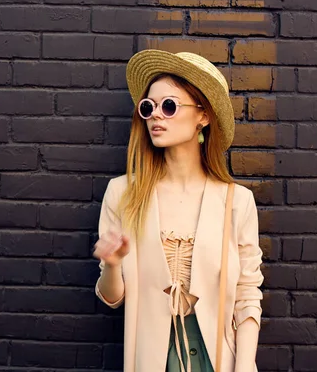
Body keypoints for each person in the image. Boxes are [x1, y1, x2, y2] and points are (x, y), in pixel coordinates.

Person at [93, 50, 264, 372]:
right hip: (151, 360)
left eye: (169, 106)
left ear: (203, 116)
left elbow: (247, 295)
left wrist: (244, 366)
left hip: (218, 360)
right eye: (149, 107)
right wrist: (112, 264)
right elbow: (112, 298)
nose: (156, 116)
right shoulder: (123, 193)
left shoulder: (236, 201)